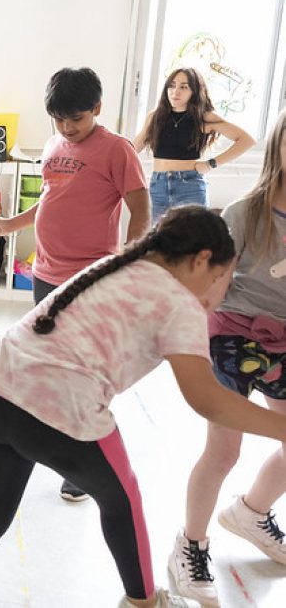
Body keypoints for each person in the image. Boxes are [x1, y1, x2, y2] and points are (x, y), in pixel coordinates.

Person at [0, 206, 286, 608]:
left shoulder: (115, 265)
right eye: (221, 277)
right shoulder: (179, 300)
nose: (218, 292)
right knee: (124, 500)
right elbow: (207, 399)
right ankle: (145, 603)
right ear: (202, 260)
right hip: (61, 408)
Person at [0, 67, 151, 501]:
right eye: (59, 120)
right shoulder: (55, 145)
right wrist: (8, 225)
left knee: (83, 374)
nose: (66, 128)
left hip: (88, 278)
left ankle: (81, 465)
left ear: (97, 108)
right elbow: (49, 200)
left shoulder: (117, 150)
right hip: (45, 273)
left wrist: (127, 264)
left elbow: (140, 207)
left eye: (75, 119)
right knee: (45, 364)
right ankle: (46, 442)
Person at [168, 109, 286, 607]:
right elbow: (211, 283)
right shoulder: (245, 212)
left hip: (284, 339)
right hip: (232, 335)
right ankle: (190, 547)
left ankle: (252, 512)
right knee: (224, 451)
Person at [133, 67, 255, 222]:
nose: (175, 91)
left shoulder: (203, 117)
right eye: (172, 85)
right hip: (159, 185)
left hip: (189, 185)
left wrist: (210, 164)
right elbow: (133, 148)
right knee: (159, 241)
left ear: (194, 91)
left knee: (193, 240)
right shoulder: (155, 117)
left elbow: (246, 140)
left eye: (183, 87)